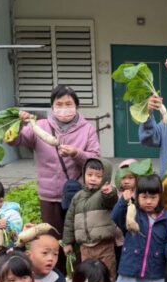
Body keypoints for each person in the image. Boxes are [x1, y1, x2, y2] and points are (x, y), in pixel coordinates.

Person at [8, 86, 101, 255]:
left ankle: (77, 275)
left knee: (78, 239)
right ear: (52, 106)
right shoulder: (40, 125)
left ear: (77, 106)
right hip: (49, 195)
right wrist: (18, 124)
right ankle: (57, 276)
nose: (64, 108)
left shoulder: (87, 129)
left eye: (68, 104)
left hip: (77, 195)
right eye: (59, 104)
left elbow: (95, 159)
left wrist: (76, 153)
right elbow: (15, 141)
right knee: (52, 240)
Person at [63, 158, 118, 282]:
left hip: (104, 245)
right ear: (84, 175)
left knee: (108, 276)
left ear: (105, 178)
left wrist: (109, 192)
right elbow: (69, 220)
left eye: (98, 176)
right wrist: (68, 242)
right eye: (89, 175)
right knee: (88, 278)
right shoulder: (78, 197)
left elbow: (111, 199)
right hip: (85, 248)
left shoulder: (104, 194)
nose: (93, 179)